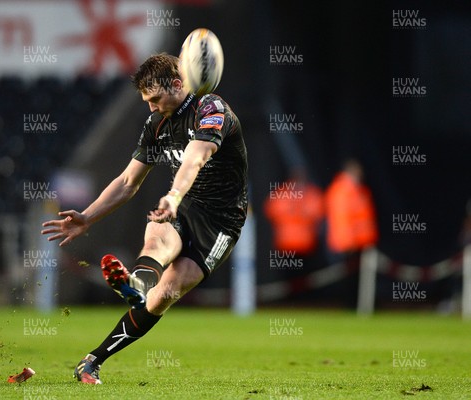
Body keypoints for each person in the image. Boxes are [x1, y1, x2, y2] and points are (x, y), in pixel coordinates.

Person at [41, 53, 248, 384]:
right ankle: (131, 293)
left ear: (177, 85)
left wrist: (173, 195)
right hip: (181, 205)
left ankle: (99, 349)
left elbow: (196, 157)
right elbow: (127, 182)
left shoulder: (211, 110)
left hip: (221, 220)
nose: (151, 107)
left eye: (154, 99)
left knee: (166, 294)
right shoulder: (157, 124)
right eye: (146, 101)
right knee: (157, 237)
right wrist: (88, 217)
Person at [263, 167, 324, 256]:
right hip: (287, 244)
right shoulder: (282, 194)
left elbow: (319, 211)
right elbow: (270, 210)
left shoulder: (312, 194)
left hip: (306, 244)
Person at [325, 159, 378, 254]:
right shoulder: (341, 191)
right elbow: (342, 219)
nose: (360, 174)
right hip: (349, 245)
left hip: (362, 241)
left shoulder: (359, 189)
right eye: (357, 171)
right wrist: (349, 242)